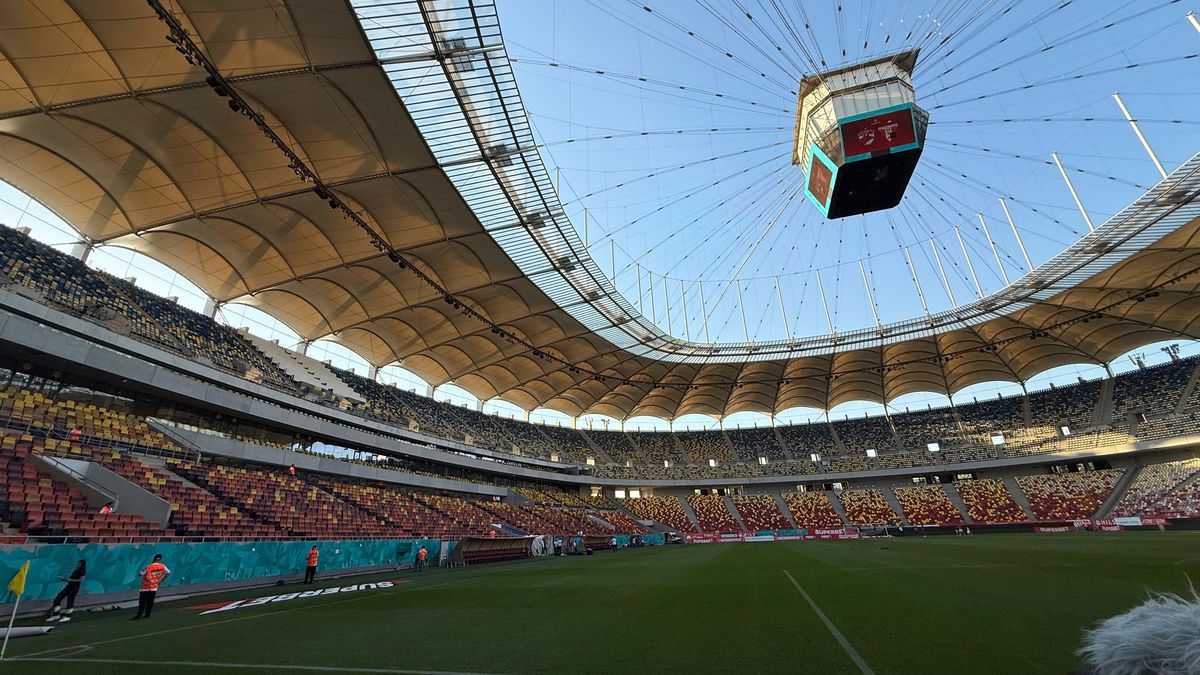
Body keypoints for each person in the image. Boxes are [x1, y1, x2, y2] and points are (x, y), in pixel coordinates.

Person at [131, 554, 170, 620]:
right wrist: (161, 581)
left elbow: (140, 574)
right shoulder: (162, 566)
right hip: (154, 587)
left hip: (145, 587)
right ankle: (147, 614)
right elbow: (168, 572)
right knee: (150, 602)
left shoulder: (148, 567)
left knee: (142, 602)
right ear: (160, 559)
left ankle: (139, 614)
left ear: (154, 559)